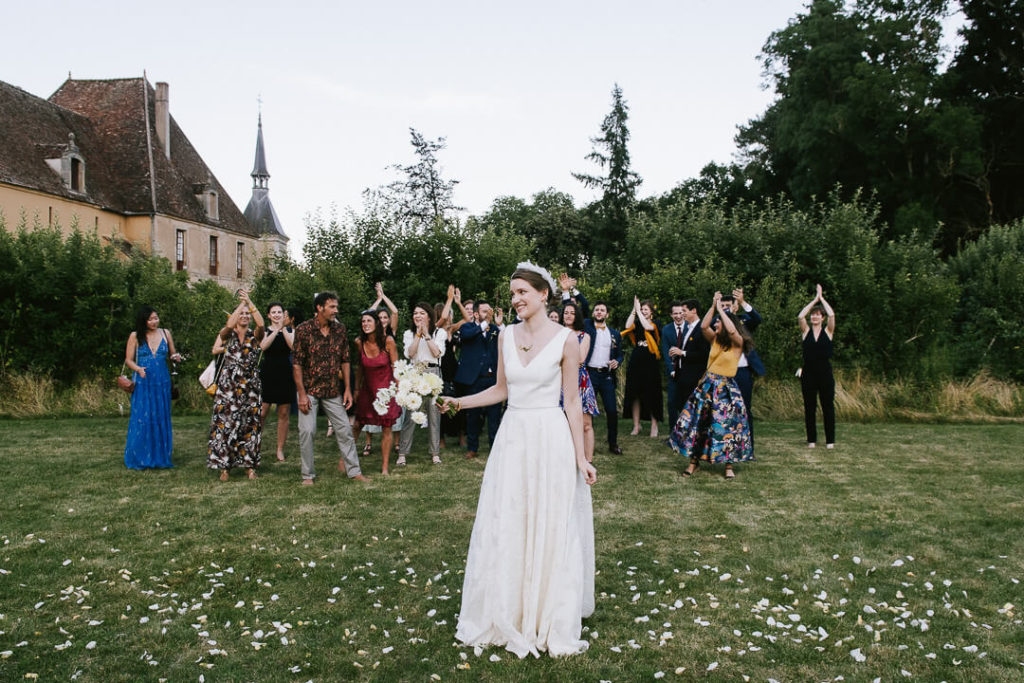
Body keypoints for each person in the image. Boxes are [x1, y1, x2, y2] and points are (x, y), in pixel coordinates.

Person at [440, 262, 596, 658]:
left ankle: (546, 612)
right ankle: (508, 607)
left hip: (550, 436)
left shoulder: (567, 340)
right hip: (513, 437)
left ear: (544, 295)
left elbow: (573, 400)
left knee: (548, 520)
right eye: (512, 294)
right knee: (508, 518)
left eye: (522, 292)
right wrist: (458, 401)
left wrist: (581, 457)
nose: (516, 300)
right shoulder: (505, 335)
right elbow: (500, 389)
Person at [671, 291, 755, 480]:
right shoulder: (714, 340)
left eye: (720, 322)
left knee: (727, 427)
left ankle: (728, 466)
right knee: (699, 424)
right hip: (707, 386)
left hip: (726, 389)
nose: (716, 324)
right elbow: (703, 325)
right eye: (717, 321)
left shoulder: (737, 344)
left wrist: (722, 312)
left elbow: (733, 331)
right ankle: (694, 463)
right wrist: (713, 305)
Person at [292, 291, 366, 485]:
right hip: (309, 390)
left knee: (345, 430)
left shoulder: (340, 330)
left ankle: (354, 471)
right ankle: (308, 475)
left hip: (333, 390)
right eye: (332, 307)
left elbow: (345, 360)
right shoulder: (303, 330)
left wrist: (348, 389)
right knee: (307, 431)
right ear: (319, 308)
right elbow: (297, 364)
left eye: (336, 307)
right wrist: (301, 394)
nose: (336, 310)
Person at [207, 290, 265, 481]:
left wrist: (249, 302)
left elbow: (262, 324)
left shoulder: (254, 335)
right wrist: (241, 305)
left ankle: (250, 467)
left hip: (250, 385)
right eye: (241, 314)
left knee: (250, 424)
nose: (245, 316)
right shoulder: (228, 335)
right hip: (229, 385)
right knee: (225, 423)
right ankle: (225, 467)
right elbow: (228, 325)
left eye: (247, 314)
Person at [123, 305, 180, 469]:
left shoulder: (165, 333)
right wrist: (138, 369)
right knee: (142, 418)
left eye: (156, 318)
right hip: (143, 382)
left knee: (160, 418)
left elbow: (172, 354)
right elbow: (128, 360)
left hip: (162, 382)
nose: (154, 321)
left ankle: (160, 456)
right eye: (150, 319)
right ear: (144, 321)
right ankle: (139, 457)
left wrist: (176, 357)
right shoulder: (135, 336)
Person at [351, 310, 401, 475]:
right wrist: (356, 389)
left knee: (387, 428)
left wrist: (398, 389)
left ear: (377, 323)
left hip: (386, 391)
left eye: (369, 321)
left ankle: (385, 467)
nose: (365, 324)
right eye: (363, 321)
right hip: (367, 390)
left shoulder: (388, 341)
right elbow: (359, 368)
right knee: (357, 424)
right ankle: (346, 461)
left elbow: (396, 367)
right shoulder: (359, 342)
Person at [397, 302, 447, 465]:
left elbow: (437, 352)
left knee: (434, 414)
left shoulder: (440, 332)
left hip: (433, 373)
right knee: (411, 414)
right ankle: (403, 453)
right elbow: (410, 354)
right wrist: (418, 335)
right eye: (415, 313)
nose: (417, 316)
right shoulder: (408, 334)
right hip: (416, 373)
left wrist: (426, 334)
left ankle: (435, 453)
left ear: (429, 316)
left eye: (422, 313)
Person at [454, 299, 503, 458]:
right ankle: (472, 448)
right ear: (475, 314)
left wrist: (499, 325)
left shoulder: (494, 329)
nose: (488, 314)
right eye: (484, 311)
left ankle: (494, 448)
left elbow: (506, 342)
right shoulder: (466, 327)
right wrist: (485, 323)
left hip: (492, 379)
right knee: (473, 415)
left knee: (494, 416)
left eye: (490, 311)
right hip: (474, 380)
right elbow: (467, 336)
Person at [720, 289, 765, 438]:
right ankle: (728, 442)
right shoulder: (718, 322)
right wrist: (725, 313)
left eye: (728, 305)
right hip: (724, 371)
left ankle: (748, 444)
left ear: (735, 306)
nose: (726, 308)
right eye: (723, 305)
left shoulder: (744, 320)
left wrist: (743, 302)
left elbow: (757, 319)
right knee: (725, 408)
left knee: (745, 408)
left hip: (742, 371)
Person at [583, 300, 624, 455]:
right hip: (590, 374)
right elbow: (581, 308)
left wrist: (617, 362)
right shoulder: (587, 327)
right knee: (588, 411)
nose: (599, 312)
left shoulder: (614, 334)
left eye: (602, 310)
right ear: (594, 313)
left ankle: (613, 443)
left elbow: (620, 355)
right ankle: (588, 444)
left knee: (612, 411)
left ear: (607, 314)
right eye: (597, 310)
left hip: (606, 375)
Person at [798, 284, 836, 448]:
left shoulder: (828, 331)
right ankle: (811, 440)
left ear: (822, 318)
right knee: (809, 407)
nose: (814, 317)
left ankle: (830, 441)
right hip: (808, 373)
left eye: (817, 315)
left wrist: (822, 299)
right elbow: (800, 316)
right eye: (813, 315)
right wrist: (814, 300)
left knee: (827, 407)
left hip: (825, 373)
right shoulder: (805, 331)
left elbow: (832, 314)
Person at [561, 301, 598, 463]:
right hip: (560, 382)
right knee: (563, 425)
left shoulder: (585, 336)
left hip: (580, 383)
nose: (568, 315)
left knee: (586, 424)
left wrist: (561, 358)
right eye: (566, 312)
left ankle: (587, 460)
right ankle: (567, 459)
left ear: (577, 316)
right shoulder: (555, 334)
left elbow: (581, 359)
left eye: (572, 313)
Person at [622, 297, 663, 438]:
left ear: (651, 312)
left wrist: (639, 311)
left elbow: (648, 327)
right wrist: (634, 310)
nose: (643, 311)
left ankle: (654, 426)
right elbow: (627, 326)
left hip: (650, 359)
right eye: (642, 309)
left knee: (651, 392)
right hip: (637, 358)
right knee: (635, 393)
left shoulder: (655, 323)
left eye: (646, 309)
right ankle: (636, 425)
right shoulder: (637, 322)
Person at [259, 302, 295, 462]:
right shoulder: (264, 331)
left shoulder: (290, 330)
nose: (276, 315)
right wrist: (275, 331)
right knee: (262, 412)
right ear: (268, 315)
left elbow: (292, 346)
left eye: (279, 312)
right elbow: (263, 347)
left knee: (284, 412)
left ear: (283, 314)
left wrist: (283, 329)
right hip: (267, 373)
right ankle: (255, 445)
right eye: (273, 312)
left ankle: (279, 449)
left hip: (285, 373)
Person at [668, 299, 710, 424]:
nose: (682, 314)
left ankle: (692, 439)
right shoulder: (688, 328)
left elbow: (704, 354)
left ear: (694, 311)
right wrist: (677, 352)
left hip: (694, 376)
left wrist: (683, 353)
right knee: (681, 406)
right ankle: (682, 436)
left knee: (692, 409)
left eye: (684, 311)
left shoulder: (701, 328)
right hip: (683, 374)